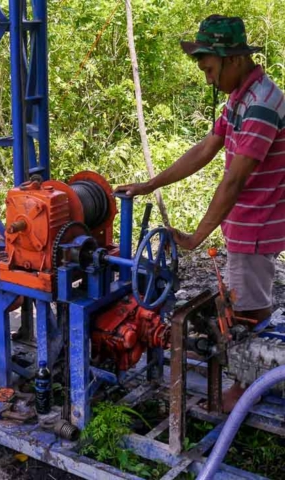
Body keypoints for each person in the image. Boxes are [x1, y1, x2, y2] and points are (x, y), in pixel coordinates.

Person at [116, 15, 284, 411]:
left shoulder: (261, 103)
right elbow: (206, 149)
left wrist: (195, 237)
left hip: (256, 223)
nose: (208, 79)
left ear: (234, 60)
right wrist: (150, 184)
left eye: (210, 69)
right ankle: (251, 377)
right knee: (240, 302)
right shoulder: (240, 98)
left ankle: (248, 387)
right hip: (247, 221)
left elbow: (233, 181)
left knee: (246, 310)